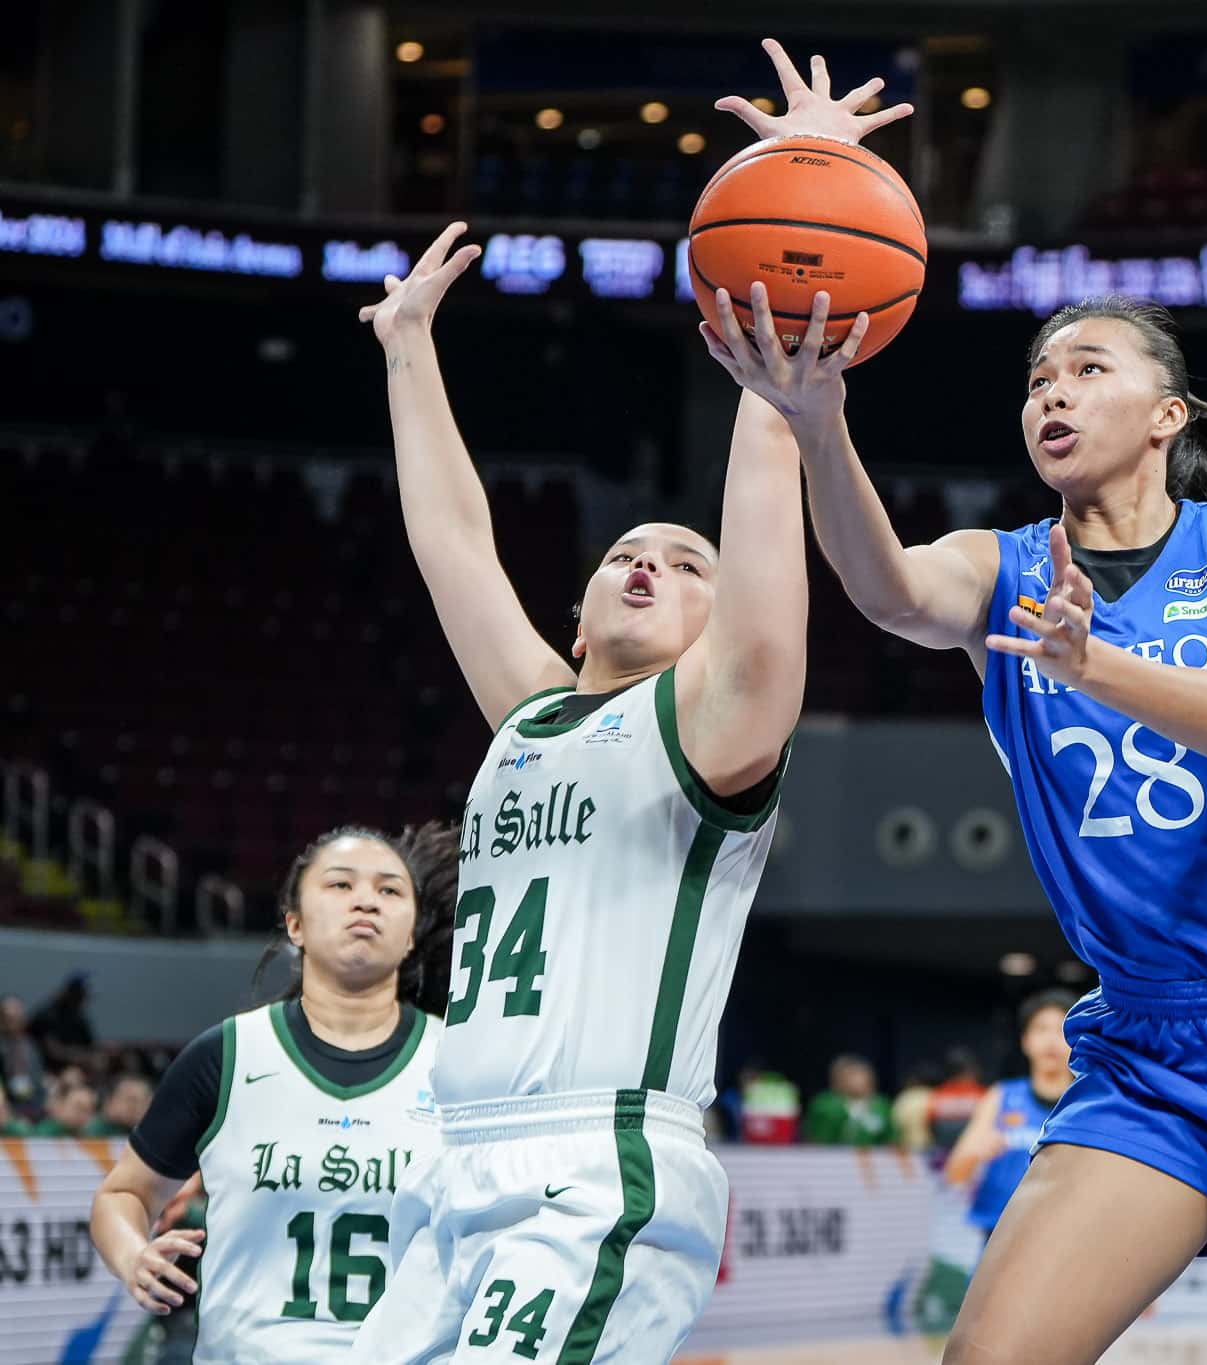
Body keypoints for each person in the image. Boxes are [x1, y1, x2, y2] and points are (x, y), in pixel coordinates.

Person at [705, 284, 1207, 1362]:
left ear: (1166, 413)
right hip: (1151, 1045)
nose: (1053, 392)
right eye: (1037, 381)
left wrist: (1089, 664)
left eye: (1089, 369)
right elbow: (887, 591)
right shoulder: (1002, 570)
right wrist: (819, 423)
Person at [345, 44, 910, 1365]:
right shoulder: (535, 717)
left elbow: (770, 555)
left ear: (722, 627)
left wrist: (797, 233)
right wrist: (409, 349)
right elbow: (452, 541)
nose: (649, 559)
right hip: (454, 1167)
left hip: (593, 1175)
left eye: (686, 560)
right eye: (625, 556)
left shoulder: (712, 732)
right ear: (581, 612)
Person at [89, 824, 453, 1360]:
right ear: (295, 925)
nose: (367, 902)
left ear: (411, 936)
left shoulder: (458, 1063)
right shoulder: (227, 1056)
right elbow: (122, 1195)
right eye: (341, 885)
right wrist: (133, 1257)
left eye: (390, 890)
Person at [947, 990, 1077, 1244]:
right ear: (1026, 1041)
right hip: (999, 1236)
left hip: (1065, 1239)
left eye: (1062, 1029)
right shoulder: (1000, 1097)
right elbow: (955, 1173)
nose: (1051, 1039)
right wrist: (974, 1153)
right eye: (1041, 1029)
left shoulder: (1089, 1102)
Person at [802, 1054, 896, 1146]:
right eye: (853, 1075)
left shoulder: (881, 1105)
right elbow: (816, 1138)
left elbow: (891, 1138)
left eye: (862, 1075)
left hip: (872, 1158)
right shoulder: (825, 1104)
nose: (858, 1080)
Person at [30, 973, 96, 1070]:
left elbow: (91, 1045)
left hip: (77, 1068)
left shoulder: (79, 1017)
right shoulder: (46, 1016)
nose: (83, 1001)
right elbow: (54, 1053)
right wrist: (86, 1057)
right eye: (80, 996)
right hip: (47, 1070)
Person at [928, 1046, 988, 1153]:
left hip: (943, 1155)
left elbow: (930, 1126)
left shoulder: (939, 1093)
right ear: (968, 1070)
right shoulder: (981, 1094)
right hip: (972, 1154)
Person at [0, 993, 45, 1111]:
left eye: (18, 1016)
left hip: (36, 1102)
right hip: (9, 1106)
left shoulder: (30, 1045)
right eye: (9, 1018)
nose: (14, 1021)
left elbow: (38, 1078)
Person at [87, 1073, 155, 1138]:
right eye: (132, 1100)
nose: (137, 1107)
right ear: (110, 1101)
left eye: (143, 1101)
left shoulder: (147, 1132)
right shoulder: (92, 1130)